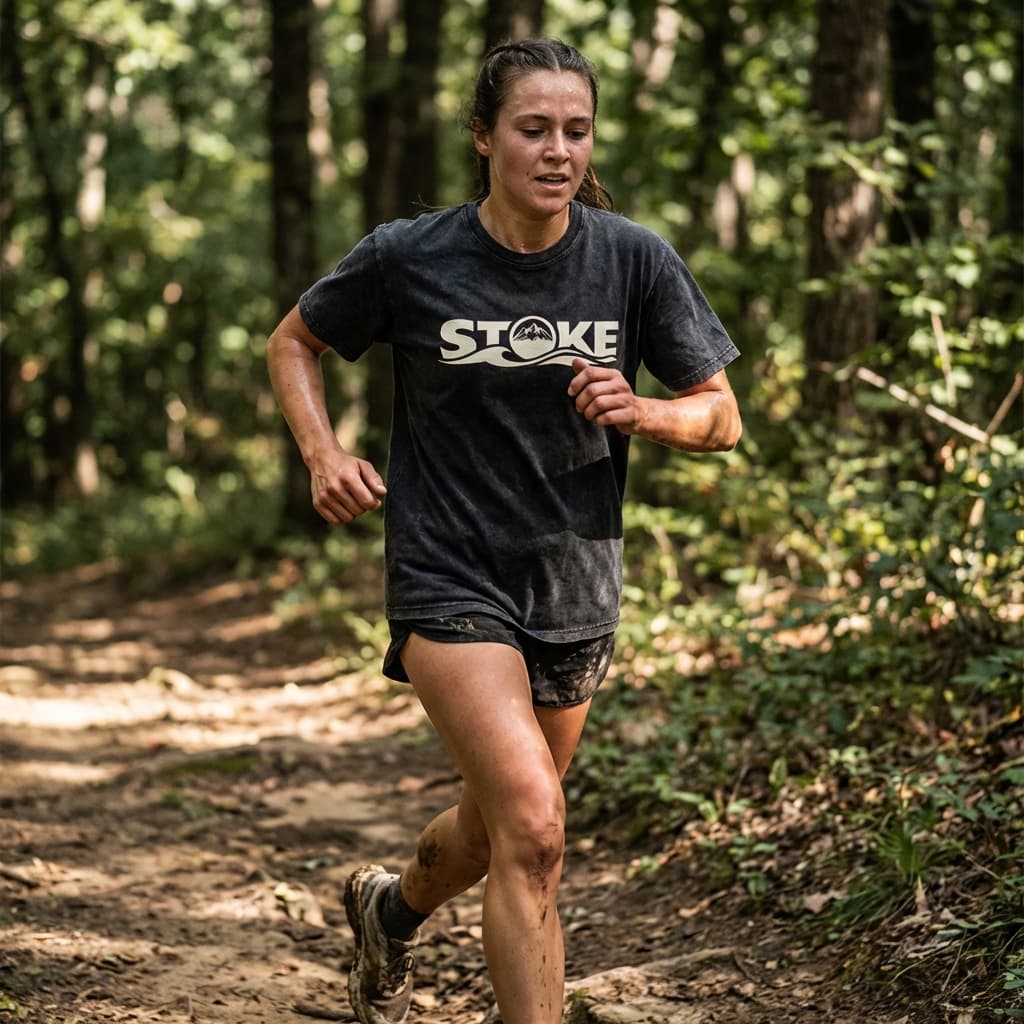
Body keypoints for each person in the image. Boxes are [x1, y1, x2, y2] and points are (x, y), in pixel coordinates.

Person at [266, 37, 742, 1024]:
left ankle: (389, 908)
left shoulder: (633, 259)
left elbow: (720, 414)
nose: (557, 149)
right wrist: (322, 454)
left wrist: (645, 412)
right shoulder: (412, 254)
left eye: (575, 129)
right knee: (535, 825)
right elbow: (295, 341)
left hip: (572, 579)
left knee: (495, 831)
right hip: (448, 570)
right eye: (533, 128)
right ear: (485, 138)